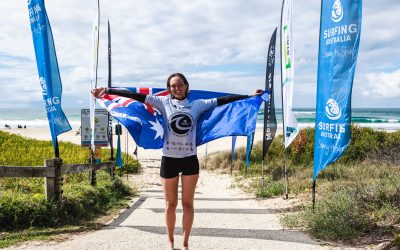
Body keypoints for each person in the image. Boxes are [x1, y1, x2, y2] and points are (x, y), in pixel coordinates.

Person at [92, 73, 262, 250]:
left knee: (188, 204)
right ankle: (170, 241)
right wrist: (108, 91)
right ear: (169, 89)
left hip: (189, 160)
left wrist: (249, 96)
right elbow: (136, 96)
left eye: (180, 84)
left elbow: (223, 101)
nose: (177, 88)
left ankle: (186, 242)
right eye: (173, 86)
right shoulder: (162, 102)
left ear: (186, 86)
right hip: (169, 159)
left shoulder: (197, 105)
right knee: (170, 204)